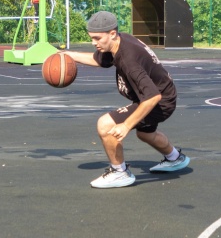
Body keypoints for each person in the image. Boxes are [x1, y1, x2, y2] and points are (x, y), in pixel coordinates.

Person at [63, 11, 190, 188]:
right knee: (145, 134)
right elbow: (98, 60)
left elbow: (153, 96)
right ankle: (175, 158)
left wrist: (126, 125)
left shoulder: (129, 60)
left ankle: (119, 172)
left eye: (97, 38)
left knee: (105, 125)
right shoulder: (119, 42)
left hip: (158, 101)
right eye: (92, 38)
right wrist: (66, 55)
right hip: (161, 94)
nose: (94, 43)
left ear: (112, 33)